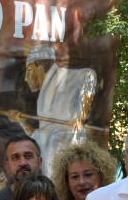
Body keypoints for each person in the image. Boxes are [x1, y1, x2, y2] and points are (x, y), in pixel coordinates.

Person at [19, 44, 98, 176]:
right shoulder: (43, 96)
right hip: (51, 166)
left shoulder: (64, 78)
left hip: (69, 158)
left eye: (29, 70)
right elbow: (42, 136)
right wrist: (22, 122)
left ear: (40, 67)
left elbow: (89, 75)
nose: (26, 78)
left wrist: (80, 118)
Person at [50, 140, 117, 200]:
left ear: (102, 176)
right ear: (66, 182)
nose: (81, 182)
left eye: (88, 175)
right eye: (75, 177)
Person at [0, 134, 43, 200]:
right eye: (15, 157)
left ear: (40, 162)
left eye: (28, 156)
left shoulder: (55, 198)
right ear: (7, 166)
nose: (22, 163)